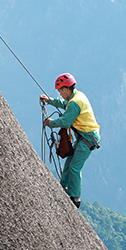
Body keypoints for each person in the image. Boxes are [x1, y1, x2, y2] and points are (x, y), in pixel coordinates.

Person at [40, 73, 100, 208]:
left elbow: (66, 122)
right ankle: (62, 186)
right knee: (69, 162)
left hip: (88, 138)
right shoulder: (77, 96)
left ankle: (75, 198)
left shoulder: (75, 103)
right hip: (85, 137)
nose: (60, 94)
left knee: (75, 167)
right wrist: (49, 100)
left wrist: (51, 123)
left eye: (60, 91)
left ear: (66, 89)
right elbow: (64, 103)